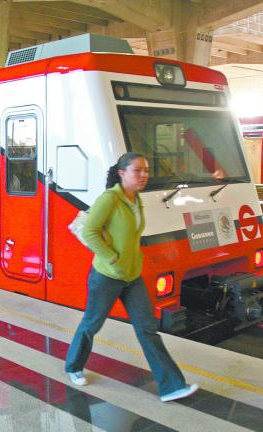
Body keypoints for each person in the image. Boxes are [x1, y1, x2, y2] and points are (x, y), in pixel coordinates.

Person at [64, 152, 199, 403]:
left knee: (147, 329)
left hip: (132, 276)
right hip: (107, 276)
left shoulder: (136, 199)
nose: (144, 175)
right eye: (137, 170)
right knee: (91, 324)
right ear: (122, 173)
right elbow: (91, 231)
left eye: (146, 170)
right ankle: (73, 366)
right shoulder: (110, 199)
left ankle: (172, 386)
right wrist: (111, 256)